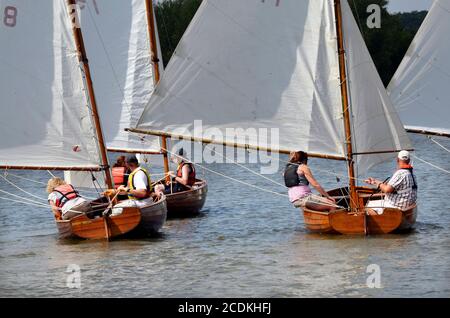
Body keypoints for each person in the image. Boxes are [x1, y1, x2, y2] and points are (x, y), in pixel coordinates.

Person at [364, 150, 417, 215]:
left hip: (397, 205)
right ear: (409, 161)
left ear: (397, 160)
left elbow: (387, 189)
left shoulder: (400, 173)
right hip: (407, 205)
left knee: (368, 205)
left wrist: (379, 184)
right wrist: (374, 181)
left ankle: (381, 223)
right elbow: (392, 186)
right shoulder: (411, 174)